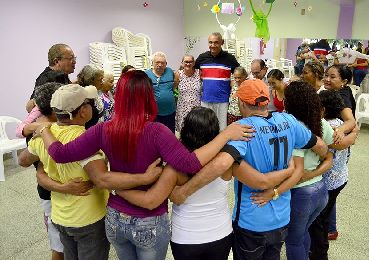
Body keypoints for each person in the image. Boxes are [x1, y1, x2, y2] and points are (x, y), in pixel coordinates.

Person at [34, 70, 253, 260]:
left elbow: (59, 154)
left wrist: (44, 129)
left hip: (115, 218)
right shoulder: (157, 132)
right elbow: (190, 163)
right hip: (148, 223)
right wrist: (225, 136)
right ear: (149, 96)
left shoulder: (102, 130)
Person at [170, 79, 329, 260]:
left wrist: (185, 191)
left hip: (252, 221)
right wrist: (324, 157)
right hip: (282, 217)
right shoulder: (289, 121)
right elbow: (321, 146)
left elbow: (221, 164)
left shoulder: (244, 130)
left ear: (242, 103)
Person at [114, 106, 295, 260]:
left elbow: (150, 200)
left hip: (186, 238)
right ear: (215, 131)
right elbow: (260, 180)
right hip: (220, 234)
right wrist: (287, 171)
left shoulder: (174, 168)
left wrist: (118, 190)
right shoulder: (227, 162)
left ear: (185, 130)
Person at [19, 84, 111, 260]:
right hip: (88, 218)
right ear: (83, 111)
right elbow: (100, 179)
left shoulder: (45, 135)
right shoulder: (84, 140)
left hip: (61, 216)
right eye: (89, 103)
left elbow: (23, 160)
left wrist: (44, 171)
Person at [283, 81, 334, 260]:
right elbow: (330, 155)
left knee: (293, 241)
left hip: (301, 195)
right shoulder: (321, 124)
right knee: (303, 232)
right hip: (321, 190)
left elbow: (294, 170)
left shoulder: (292, 127)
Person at [17, 82, 68, 260]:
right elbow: (25, 160)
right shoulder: (53, 131)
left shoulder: (41, 129)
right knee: (60, 245)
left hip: (53, 193)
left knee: (60, 244)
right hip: (57, 195)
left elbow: (23, 160)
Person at [309, 90, 358, 260]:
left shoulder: (324, 126)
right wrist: (353, 133)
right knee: (324, 215)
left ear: (322, 108)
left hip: (327, 181)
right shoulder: (342, 123)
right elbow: (352, 135)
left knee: (318, 221)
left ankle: (319, 254)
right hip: (340, 178)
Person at [195, 32, 240, 130]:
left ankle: (222, 145)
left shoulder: (229, 58)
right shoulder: (202, 58)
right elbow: (191, 71)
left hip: (222, 100)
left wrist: (234, 84)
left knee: (221, 128)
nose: (213, 45)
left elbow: (240, 74)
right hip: (205, 99)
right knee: (206, 127)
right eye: (210, 42)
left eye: (216, 42)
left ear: (222, 42)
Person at [27, 43, 76, 113]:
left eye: (74, 58)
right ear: (56, 61)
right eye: (70, 58)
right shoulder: (50, 78)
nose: (74, 62)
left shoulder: (61, 75)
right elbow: (32, 107)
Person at [323, 65, 357, 143]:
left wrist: (340, 130)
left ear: (344, 81)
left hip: (337, 139)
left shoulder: (342, 96)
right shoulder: (337, 90)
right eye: (326, 75)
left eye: (332, 77)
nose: (327, 79)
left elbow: (351, 121)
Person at [146, 51, 177, 132]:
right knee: (157, 134)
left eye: (162, 63)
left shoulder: (170, 71)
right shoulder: (146, 74)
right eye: (157, 62)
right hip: (155, 113)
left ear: (166, 64)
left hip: (170, 111)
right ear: (152, 63)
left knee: (170, 133)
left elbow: (174, 85)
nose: (160, 65)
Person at [174, 55, 201, 132]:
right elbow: (173, 88)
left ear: (194, 63)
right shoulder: (178, 74)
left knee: (196, 129)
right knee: (184, 130)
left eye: (190, 62)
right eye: (186, 62)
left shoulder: (199, 73)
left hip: (196, 108)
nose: (188, 64)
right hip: (182, 108)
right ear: (182, 63)